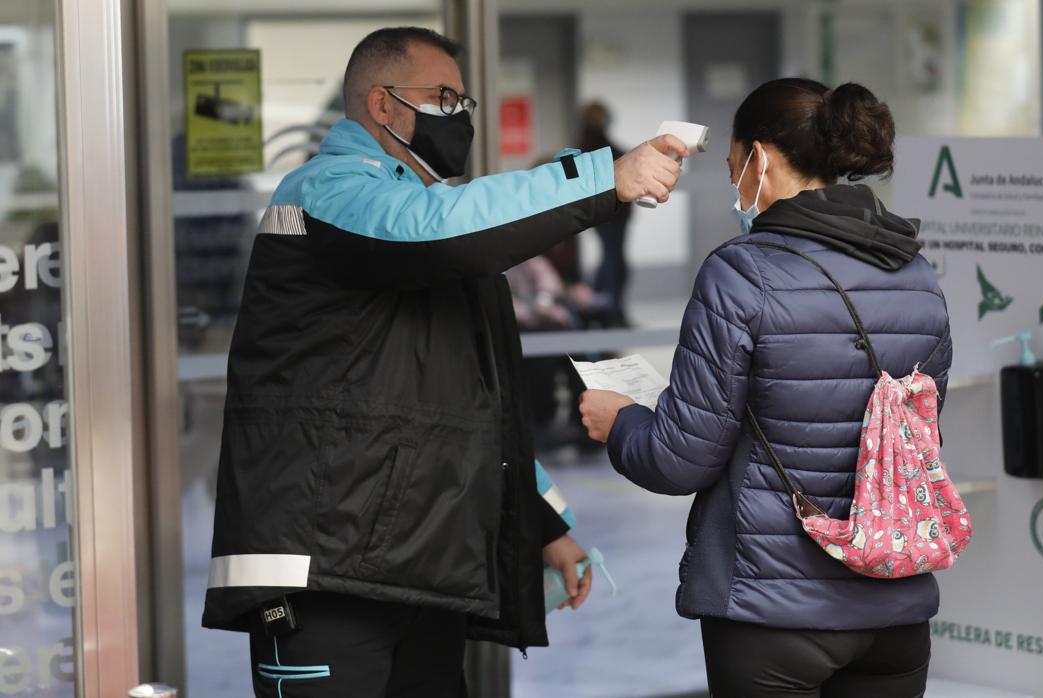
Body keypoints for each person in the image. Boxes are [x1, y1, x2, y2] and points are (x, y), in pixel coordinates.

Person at [203, 26, 687, 698]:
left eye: (463, 102)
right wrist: (604, 177)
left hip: (418, 564)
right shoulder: (330, 190)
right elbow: (428, 229)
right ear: (381, 104)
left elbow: (474, 401)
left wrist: (544, 523)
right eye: (442, 97)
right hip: (326, 572)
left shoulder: (428, 218)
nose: (457, 115)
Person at [579, 79, 953, 697]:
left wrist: (619, 422)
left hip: (770, 612)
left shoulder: (740, 274)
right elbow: (918, 444)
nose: (735, 187)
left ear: (760, 157)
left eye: (733, 169)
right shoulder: (916, 275)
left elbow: (680, 458)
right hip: (895, 607)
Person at [577, 101, 633, 326]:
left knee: (614, 263)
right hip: (609, 214)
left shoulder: (593, 141)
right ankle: (608, 313)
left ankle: (608, 312)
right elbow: (614, 160)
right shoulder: (592, 142)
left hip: (613, 214)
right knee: (613, 265)